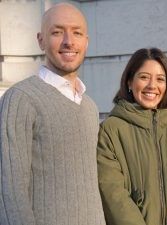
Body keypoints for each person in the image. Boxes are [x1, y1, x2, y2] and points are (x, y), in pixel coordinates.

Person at [0, 3, 106, 225]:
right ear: (41, 40)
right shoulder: (21, 98)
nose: (69, 41)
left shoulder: (89, 107)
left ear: (86, 41)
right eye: (57, 32)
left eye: (77, 32)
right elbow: (9, 191)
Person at [97, 47, 167, 225]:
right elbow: (112, 193)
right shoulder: (111, 130)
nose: (152, 86)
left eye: (160, 79)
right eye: (144, 77)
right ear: (129, 82)